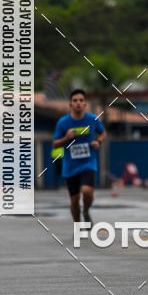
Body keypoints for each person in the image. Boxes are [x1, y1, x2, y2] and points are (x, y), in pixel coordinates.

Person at [53, 89, 106, 226]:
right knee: (75, 200)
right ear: (70, 104)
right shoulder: (63, 122)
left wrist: (98, 141)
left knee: (87, 192)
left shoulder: (92, 119)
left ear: (85, 104)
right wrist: (66, 138)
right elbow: (55, 144)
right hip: (70, 166)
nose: (78, 103)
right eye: (75, 100)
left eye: (81, 100)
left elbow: (103, 133)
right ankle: (77, 226)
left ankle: (86, 211)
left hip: (88, 162)